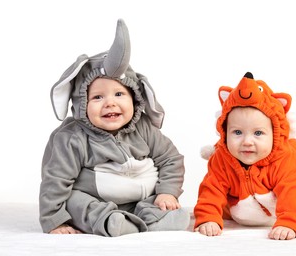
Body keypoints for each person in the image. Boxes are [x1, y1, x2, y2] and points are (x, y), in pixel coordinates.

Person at [39, 19, 190, 237]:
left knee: (164, 205)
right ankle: (108, 220)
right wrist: (54, 220)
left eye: (119, 94)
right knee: (73, 200)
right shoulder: (72, 138)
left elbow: (171, 159)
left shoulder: (144, 127)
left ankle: (149, 215)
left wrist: (167, 193)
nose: (110, 103)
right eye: (98, 97)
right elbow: (56, 180)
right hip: (95, 200)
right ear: (82, 103)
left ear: (135, 98)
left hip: (138, 199)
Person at [194, 72, 296, 240]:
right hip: (243, 205)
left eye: (258, 133)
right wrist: (208, 218)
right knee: (223, 208)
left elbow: (290, 190)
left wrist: (288, 223)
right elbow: (211, 190)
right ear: (224, 132)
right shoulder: (222, 159)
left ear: (275, 135)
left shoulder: (284, 159)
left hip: (287, 206)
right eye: (237, 132)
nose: (247, 141)